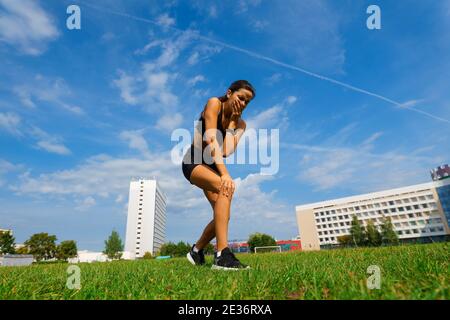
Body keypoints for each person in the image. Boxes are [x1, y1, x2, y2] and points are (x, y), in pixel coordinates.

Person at [182, 80, 255, 270]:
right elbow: (212, 139)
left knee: (222, 216)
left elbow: (226, 151)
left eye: (247, 102)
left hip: (213, 165)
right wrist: (225, 175)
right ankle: (222, 254)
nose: (243, 103)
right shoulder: (214, 103)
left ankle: (196, 251)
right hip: (194, 161)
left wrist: (232, 124)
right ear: (229, 93)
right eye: (241, 97)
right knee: (226, 187)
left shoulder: (241, 124)